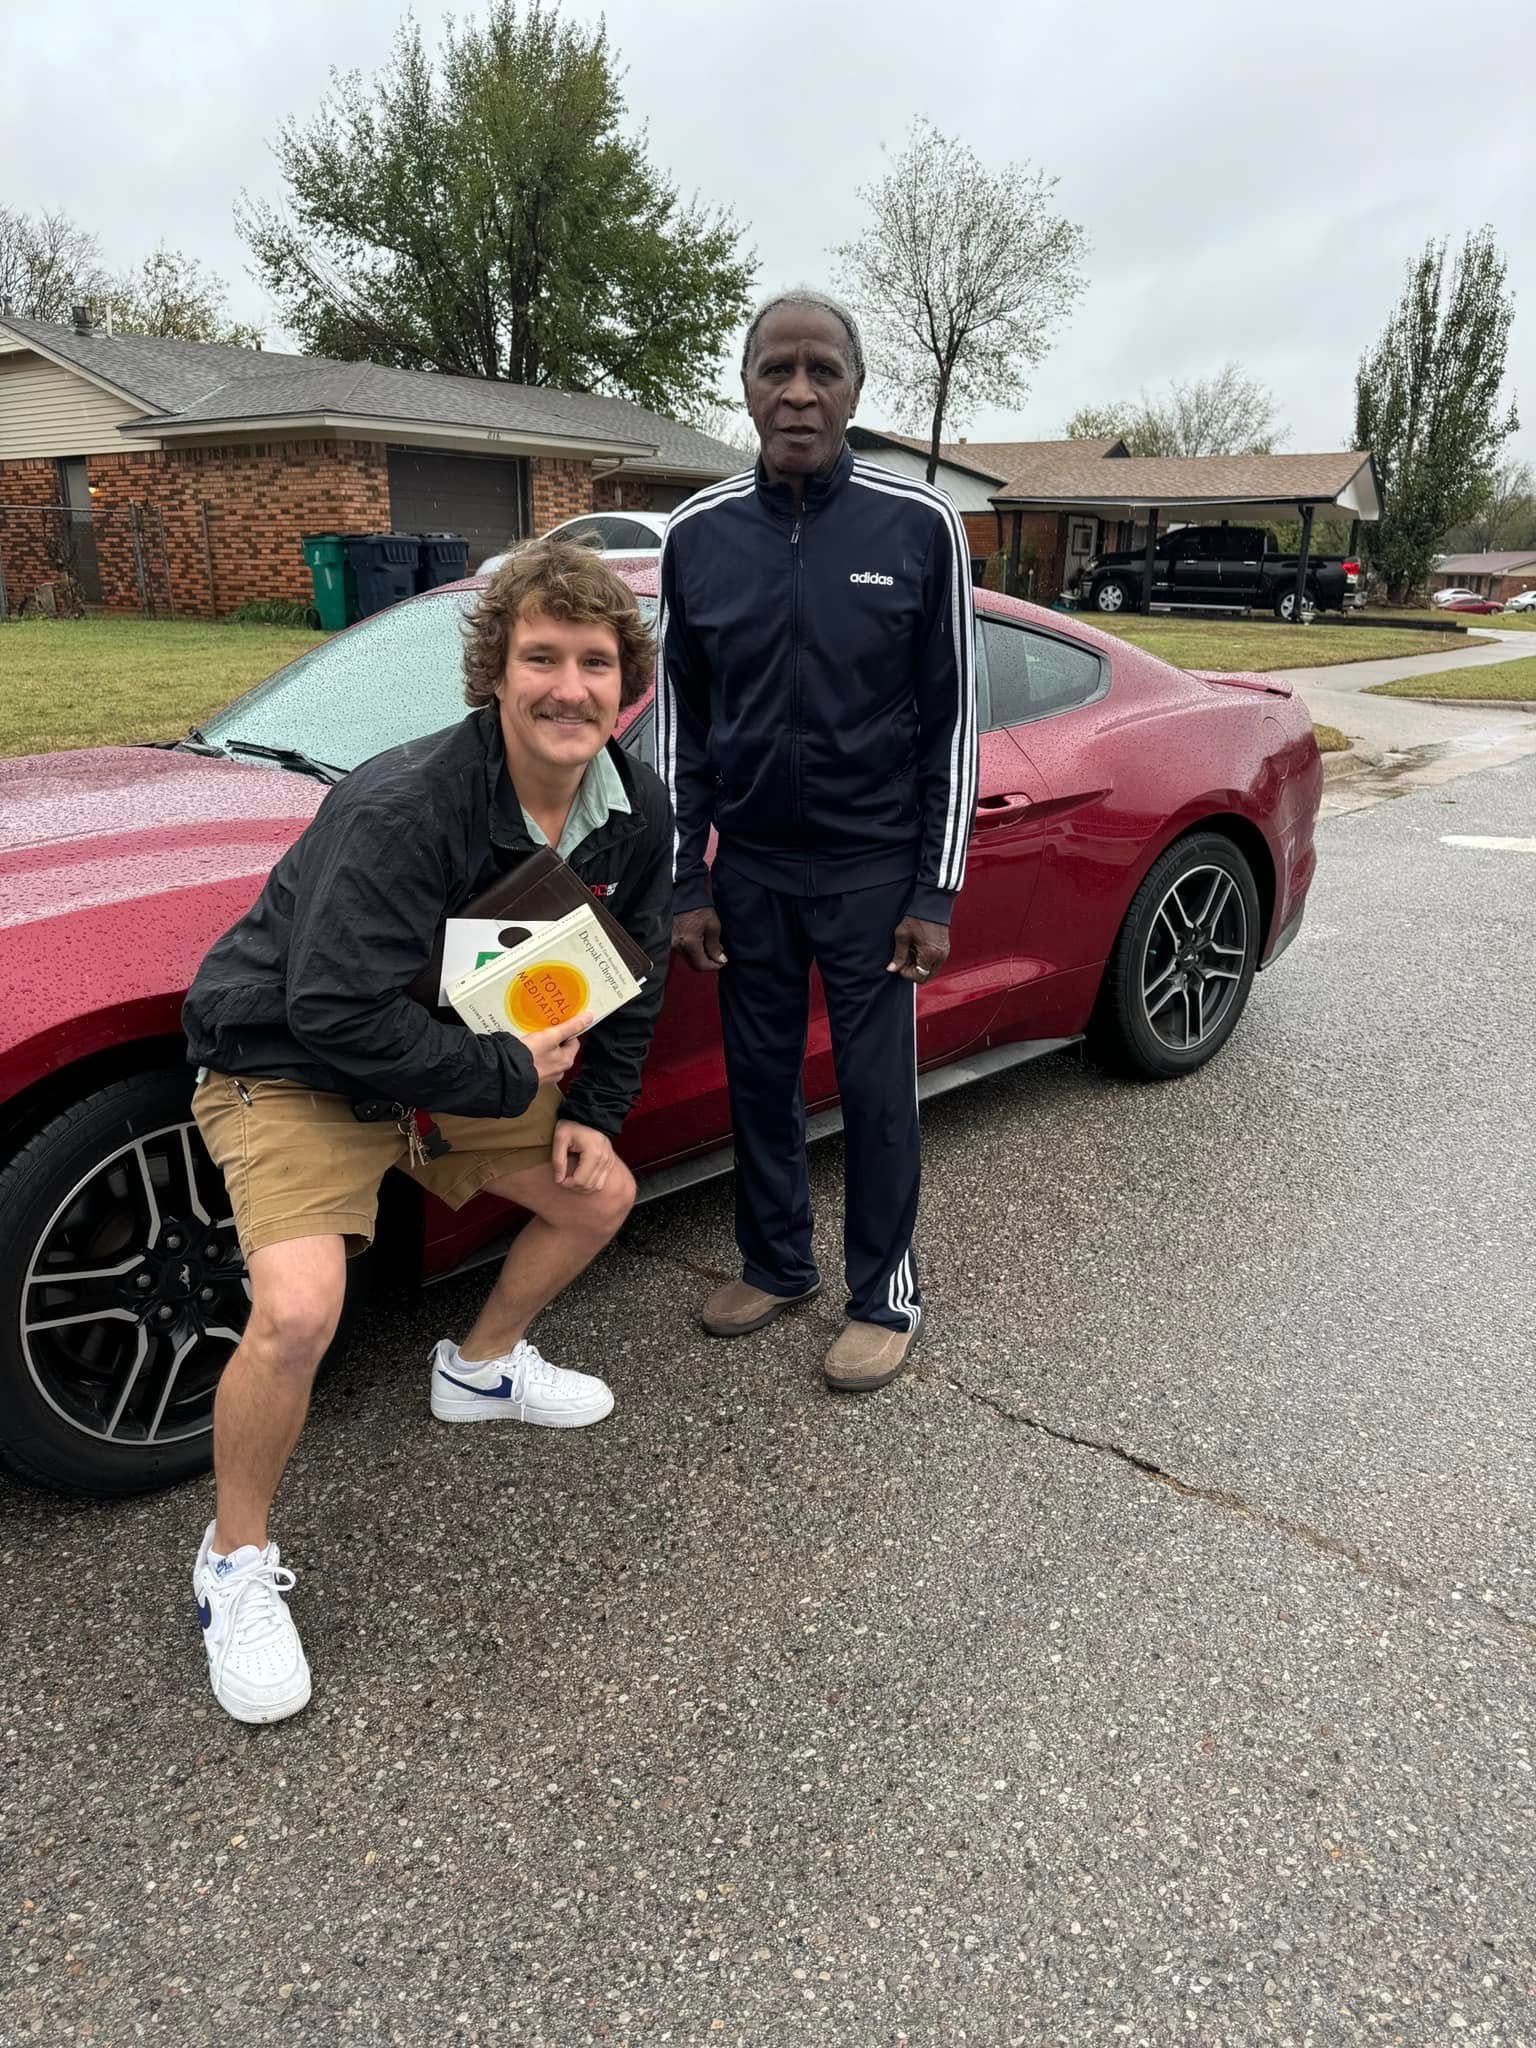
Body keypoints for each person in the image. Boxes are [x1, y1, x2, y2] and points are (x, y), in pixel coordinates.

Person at [181, 536, 672, 1723]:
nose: (568, 685)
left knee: (601, 1191)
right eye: (539, 656)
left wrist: (593, 1114)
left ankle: (483, 1365)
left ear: (628, 686)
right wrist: (504, 1076)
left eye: (593, 661)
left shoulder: (633, 809)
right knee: (298, 1307)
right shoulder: (405, 804)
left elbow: (634, 971)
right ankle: (231, 1563)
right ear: (494, 675)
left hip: (457, 1059)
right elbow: (331, 1007)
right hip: (291, 1065)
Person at [658, 288, 977, 1395]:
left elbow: (953, 721)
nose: (798, 391)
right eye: (775, 369)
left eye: (822, 369)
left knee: (879, 1088)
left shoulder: (919, 526)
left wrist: (934, 891)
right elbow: (680, 721)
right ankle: (775, 1260)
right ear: (744, 384)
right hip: (746, 871)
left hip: (868, 872)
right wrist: (680, 875)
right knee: (757, 1078)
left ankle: (885, 1289)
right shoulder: (698, 537)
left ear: (854, 386)